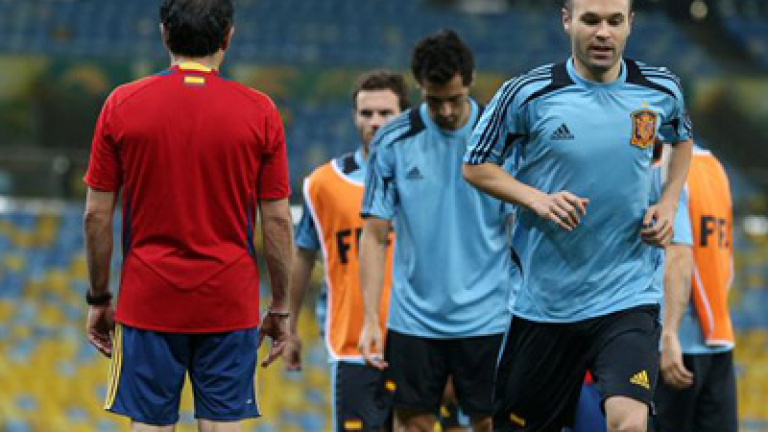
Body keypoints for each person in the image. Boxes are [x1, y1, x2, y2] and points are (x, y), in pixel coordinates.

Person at [462, 0, 694, 429]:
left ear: (630, 24)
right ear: (567, 21)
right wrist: (536, 199)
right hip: (546, 303)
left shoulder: (661, 89)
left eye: (614, 21)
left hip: (628, 293)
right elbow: (475, 166)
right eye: (591, 20)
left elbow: (681, 139)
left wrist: (667, 201)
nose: (603, 32)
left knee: (629, 422)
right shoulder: (525, 94)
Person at [82, 1, 293, 431]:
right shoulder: (260, 111)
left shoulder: (122, 104)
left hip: (148, 301)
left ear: (164, 34)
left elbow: (95, 217)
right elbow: (277, 221)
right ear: (228, 37)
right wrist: (281, 306)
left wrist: (99, 298)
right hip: (228, 303)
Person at [358, 29, 512, 432]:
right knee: (413, 424)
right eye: (434, 100)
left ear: (471, 81)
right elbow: (373, 235)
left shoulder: (504, 138)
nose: (445, 111)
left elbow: (522, 229)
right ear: (418, 87)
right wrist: (371, 319)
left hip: (489, 316)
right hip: (414, 319)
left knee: (488, 423)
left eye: (454, 100)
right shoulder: (392, 141)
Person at [283, 70, 409, 432]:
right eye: (366, 113)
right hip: (352, 342)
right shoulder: (323, 184)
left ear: (404, 115)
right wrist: (290, 327)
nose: (375, 122)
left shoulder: (427, 179)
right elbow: (303, 254)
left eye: (385, 113)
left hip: (417, 340)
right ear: (354, 117)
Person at [654, 145, 737, 432]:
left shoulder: (664, 170)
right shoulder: (714, 167)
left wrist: (668, 333)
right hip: (717, 335)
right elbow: (726, 257)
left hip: (674, 344)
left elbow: (678, 254)